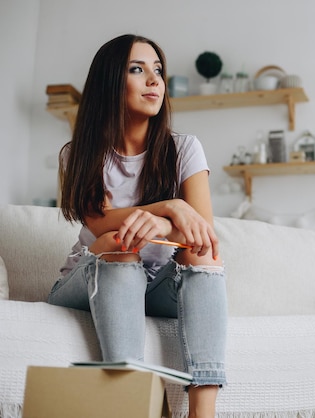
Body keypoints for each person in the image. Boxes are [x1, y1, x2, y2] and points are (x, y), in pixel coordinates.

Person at [48, 34, 227, 418]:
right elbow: (100, 225)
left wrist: (164, 225)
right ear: (111, 82)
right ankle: (130, 405)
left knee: (203, 255)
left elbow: (202, 237)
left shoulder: (185, 149)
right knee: (119, 243)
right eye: (137, 69)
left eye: (158, 71)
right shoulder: (78, 154)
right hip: (93, 277)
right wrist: (170, 207)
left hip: (158, 283)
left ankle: (203, 413)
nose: (154, 80)